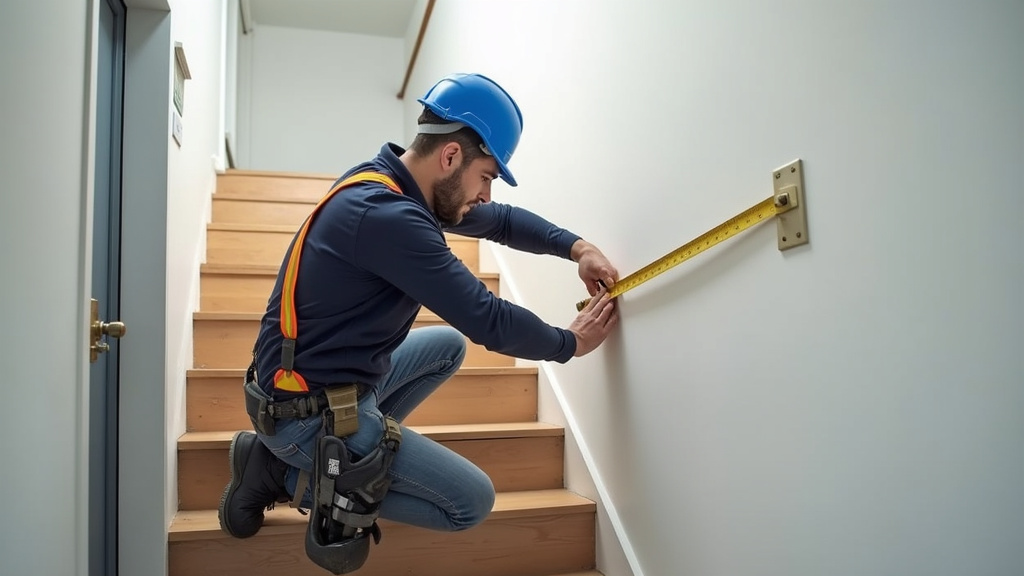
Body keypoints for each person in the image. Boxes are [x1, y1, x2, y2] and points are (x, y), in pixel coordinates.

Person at [217, 72, 619, 569]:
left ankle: (303, 454)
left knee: (446, 346)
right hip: (303, 414)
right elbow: (487, 318)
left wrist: (578, 247)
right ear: (450, 156)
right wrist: (569, 343)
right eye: (487, 177)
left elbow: (502, 222)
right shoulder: (387, 217)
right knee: (470, 502)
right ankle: (285, 474)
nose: (486, 195)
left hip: (314, 385)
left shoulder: (390, 183)